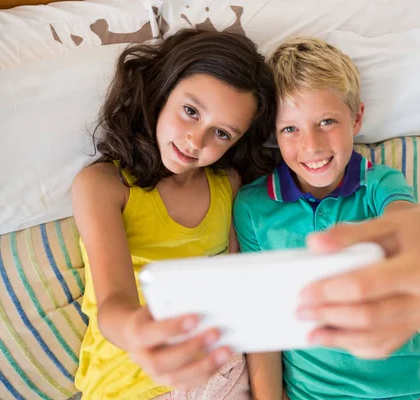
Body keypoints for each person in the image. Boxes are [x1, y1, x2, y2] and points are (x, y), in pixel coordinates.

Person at [233, 37, 420, 400]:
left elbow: (407, 218)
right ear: (273, 133)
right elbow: (261, 324)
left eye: (327, 121)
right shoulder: (253, 207)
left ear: (357, 117)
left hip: (408, 390)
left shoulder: (379, 183)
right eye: (290, 129)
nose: (312, 146)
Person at [72, 28, 277, 400]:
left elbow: (245, 302)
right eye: (190, 111)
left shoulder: (228, 186)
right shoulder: (103, 186)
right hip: (129, 382)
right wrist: (139, 331)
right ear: (162, 90)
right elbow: (113, 305)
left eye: (222, 133)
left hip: (219, 370)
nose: (195, 141)